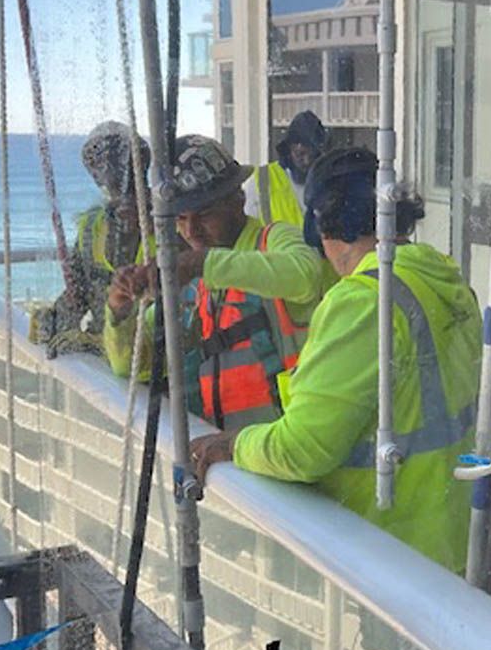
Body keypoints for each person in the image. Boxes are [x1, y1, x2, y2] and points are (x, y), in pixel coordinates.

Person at [189, 147, 481, 574]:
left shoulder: (364, 302)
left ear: (321, 225)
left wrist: (233, 445)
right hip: (446, 539)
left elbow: (303, 450)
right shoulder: (441, 279)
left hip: (382, 548)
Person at [105, 135, 327, 430]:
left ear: (238, 199)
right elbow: (131, 364)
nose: (191, 231)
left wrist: (201, 263)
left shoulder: (273, 241)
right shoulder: (194, 282)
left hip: (289, 448)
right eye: (181, 218)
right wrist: (120, 311)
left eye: (205, 214)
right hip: (229, 460)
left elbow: (305, 275)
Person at [31, 121, 155, 356]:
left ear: (140, 163)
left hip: (147, 363)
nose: (109, 170)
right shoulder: (92, 225)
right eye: (98, 162)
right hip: (106, 363)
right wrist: (54, 320)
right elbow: (78, 292)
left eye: (119, 158)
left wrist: (91, 343)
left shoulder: (172, 223)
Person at [248, 110, 327, 226]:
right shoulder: (262, 181)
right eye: (300, 154)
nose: (307, 161)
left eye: (314, 155)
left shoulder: (330, 183)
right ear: (289, 149)